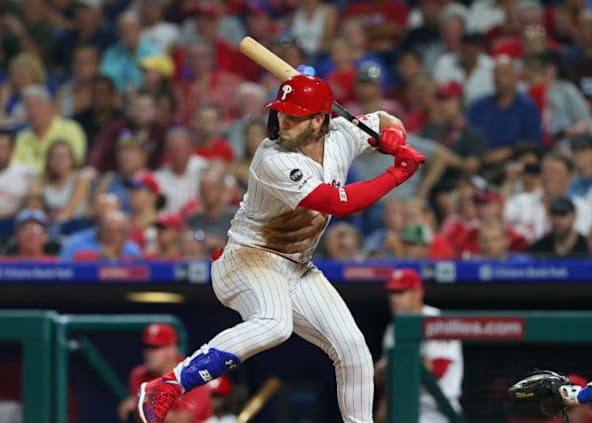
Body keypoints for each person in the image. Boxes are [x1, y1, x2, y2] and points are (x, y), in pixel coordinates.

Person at [136, 74, 426, 423]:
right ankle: (169, 384)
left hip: (297, 265)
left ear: (320, 121)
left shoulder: (343, 135)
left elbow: (382, 119)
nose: (283, 121)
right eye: (281, 112)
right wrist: (396, 173)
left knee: (354, 351)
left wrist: (394, 135)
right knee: (275, 324)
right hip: (247, 258)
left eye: (294, 115)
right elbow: (337, 202)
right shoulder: (271, 157)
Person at [375, 268, 463, 423]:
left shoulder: (437, 321)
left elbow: (438, 368)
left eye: (401, 292)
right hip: (404, 409)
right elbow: (380, 378)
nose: (394, 299)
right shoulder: (393, 328)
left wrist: (393, 367)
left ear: (418, 293)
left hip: (439, 411)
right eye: (391, 293)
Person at [118, 323, 212, 423]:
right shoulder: (138, 375)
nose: (149, 353)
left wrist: (142, 406)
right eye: (146, 347)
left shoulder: (192, 372)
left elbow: (182, 420)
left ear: (172, 349)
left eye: (155, 348)